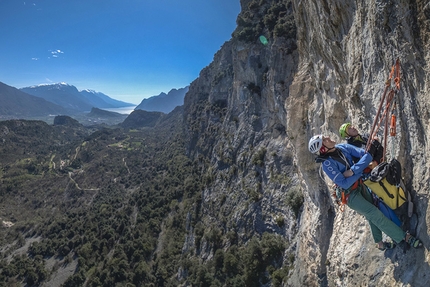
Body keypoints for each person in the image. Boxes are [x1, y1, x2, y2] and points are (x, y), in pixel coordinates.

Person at [308, 134, 422, 250]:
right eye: (325, 140)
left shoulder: (342, 147)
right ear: (323, 149)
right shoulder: (327, 164)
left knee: (371, 213)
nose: (328, 137)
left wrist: (352, 171)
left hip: (360, 185)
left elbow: (364, 155)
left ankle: (380, 243)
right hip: (350, 195)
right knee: (374, 212)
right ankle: (405, 237)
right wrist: (359, 169)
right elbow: (344, 183)